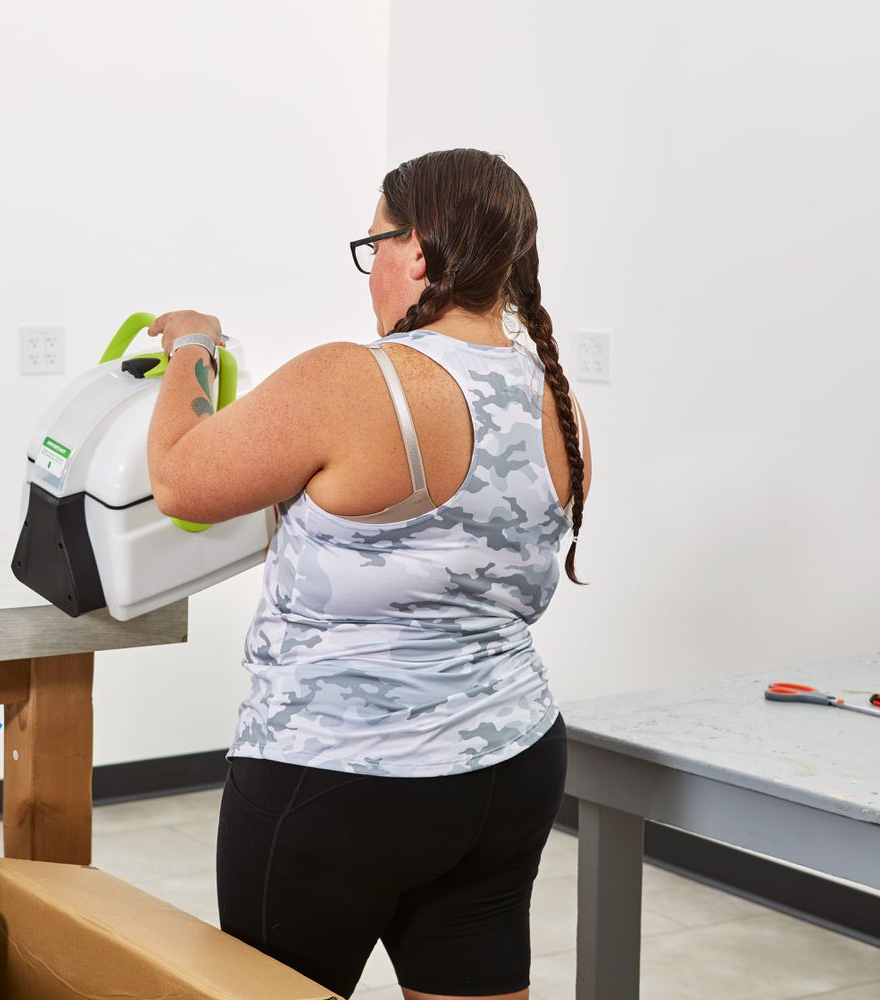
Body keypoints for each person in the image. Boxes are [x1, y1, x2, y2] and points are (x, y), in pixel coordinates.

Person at [145, 148, 591, 1000]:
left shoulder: (353, 379)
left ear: (417, 253)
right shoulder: (557, 398)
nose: (372, 270)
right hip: (509, 764)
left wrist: (192, 347)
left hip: (339, 779)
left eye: (375, 244)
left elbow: (179, 479)